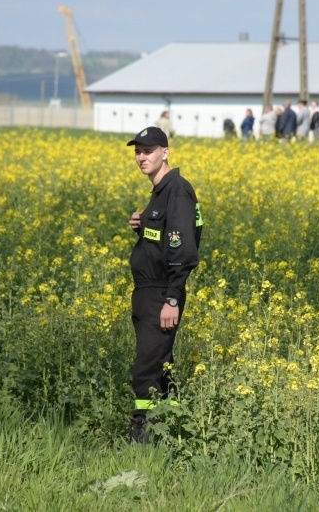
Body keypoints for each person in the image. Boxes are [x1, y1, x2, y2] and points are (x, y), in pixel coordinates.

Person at [127, 126, 203, 443]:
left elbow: (183, 249)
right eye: (138, 152)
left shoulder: (177, 191)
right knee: (162, 367)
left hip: (161, 294)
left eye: (148, 151)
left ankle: (141, 435)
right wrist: (142, 225)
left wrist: (171, 299)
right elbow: (164, 239)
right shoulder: (160, 193)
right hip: (149, 292)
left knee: (146, 367)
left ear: (165, 153)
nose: (141, 157)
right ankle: (172, 431)